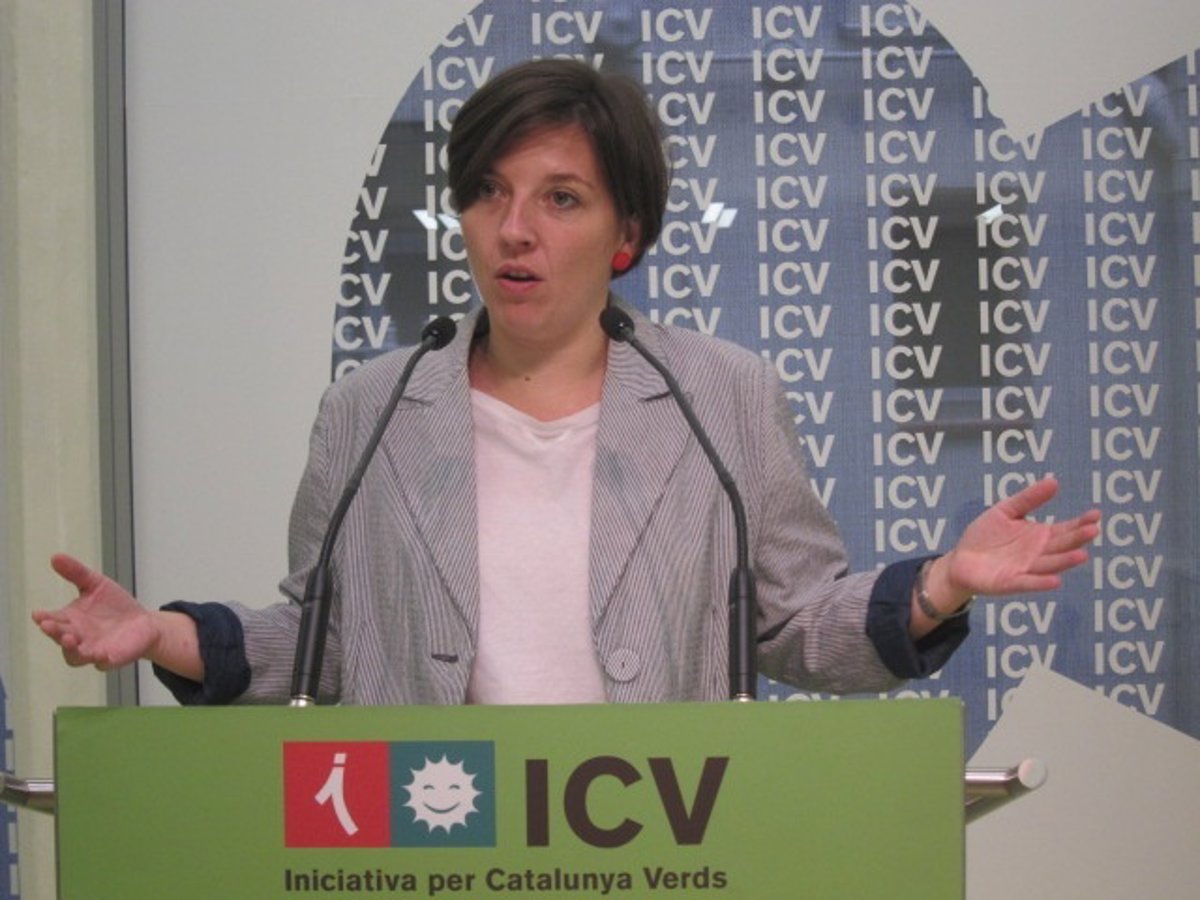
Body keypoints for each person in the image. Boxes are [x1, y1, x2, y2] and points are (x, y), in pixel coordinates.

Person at [34, 59, 1100, 705]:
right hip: (434, 845)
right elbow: (320, 645)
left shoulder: (722, 395)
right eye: (489, 193)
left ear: (624, 233)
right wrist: (164, 634)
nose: (515, 230)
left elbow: (793, 627)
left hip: (661, 845)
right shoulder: (370, 409)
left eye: (561, 199)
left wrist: (940, 584)